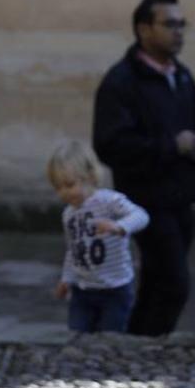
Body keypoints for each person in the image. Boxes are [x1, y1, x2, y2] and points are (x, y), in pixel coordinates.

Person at [93, 0, 195, 337]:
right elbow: (110, 145)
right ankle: (148, 346)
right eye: (169, 24)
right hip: (145, 200)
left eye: (181, 23)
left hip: (181, 196)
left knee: (157, 283)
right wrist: (173, 145)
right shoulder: (122, 81)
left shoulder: (181, 76)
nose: (178, 31)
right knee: (174, 282)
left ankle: (137, 345)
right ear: (144, 30)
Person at [46, 140, 149, 334]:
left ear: (90, 176)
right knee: (76, 336)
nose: (64, 193)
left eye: (69, 185)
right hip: (82, 291)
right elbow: (74, 250)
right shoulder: (69, 214)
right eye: (58, 188)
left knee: (109, 338)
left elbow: (142, 216)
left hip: (115, 289)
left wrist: (119, 227)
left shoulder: (108, 200)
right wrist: (67, 278)